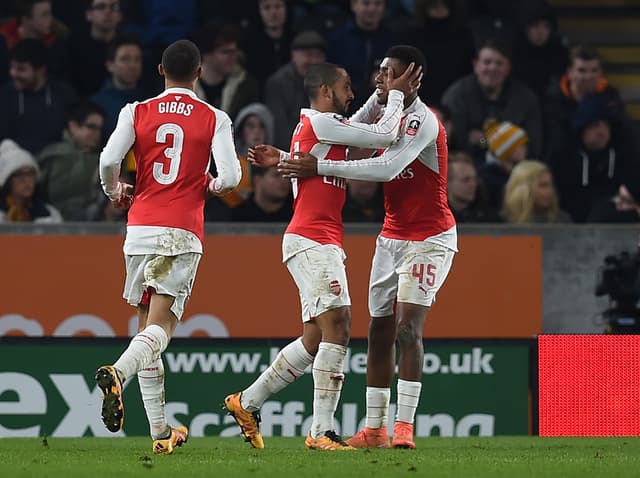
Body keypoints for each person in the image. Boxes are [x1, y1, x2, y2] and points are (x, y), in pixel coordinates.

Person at [224, 60, 421, 450]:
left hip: (313, 239)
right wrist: (395, 95)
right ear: (327, 91)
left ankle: (246, 402)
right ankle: (320, 431)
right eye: (347, 87)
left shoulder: (314, 127)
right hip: (312, 239)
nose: (353, 94)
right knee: (341, 326)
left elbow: (352, 130)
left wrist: (381, 97)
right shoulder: (321, 123)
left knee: (315, 337)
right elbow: (381, 133)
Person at [276, 45, 457, 449]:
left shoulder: (423, 121)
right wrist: (380, 97)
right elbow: (350, 138)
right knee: (379, 329)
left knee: (408, 327)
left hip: (430, 237)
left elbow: (386, 167)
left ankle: (404, 426)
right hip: (391, 237)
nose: (381, 79)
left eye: (390, 74)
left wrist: (318, 166)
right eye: (379, 72)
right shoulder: (383, 112)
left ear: (414, 78)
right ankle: (374, 429)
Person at [94, 39, 241, 455]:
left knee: (147, 328)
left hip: (139, 228)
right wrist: (209, 185)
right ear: (199, 72)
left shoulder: (135, 111)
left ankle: (160, 431)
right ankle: (119, 373)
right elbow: (230, 177)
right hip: (180, 230)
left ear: (160, 70)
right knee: (162, 330)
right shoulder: (214, 117)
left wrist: (115, 191)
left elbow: (108, 161)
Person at [37, 101, 105, 221]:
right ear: (73, 126)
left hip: (91, 226)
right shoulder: (53, 156)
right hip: (51, 224)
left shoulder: (103, 160)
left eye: (99, 129)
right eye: (91, 127)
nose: (97, 134)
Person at [0, 138, 62, 223]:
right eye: (20, 175)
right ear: (7, 181)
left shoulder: (50, 214)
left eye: (31, 174)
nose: (27, 180)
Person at [501, 160, 571, 223]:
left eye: (550, 185)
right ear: (524, 189)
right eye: (543, 185)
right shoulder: (501, 221)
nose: (550, 191)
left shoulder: (561, 221)